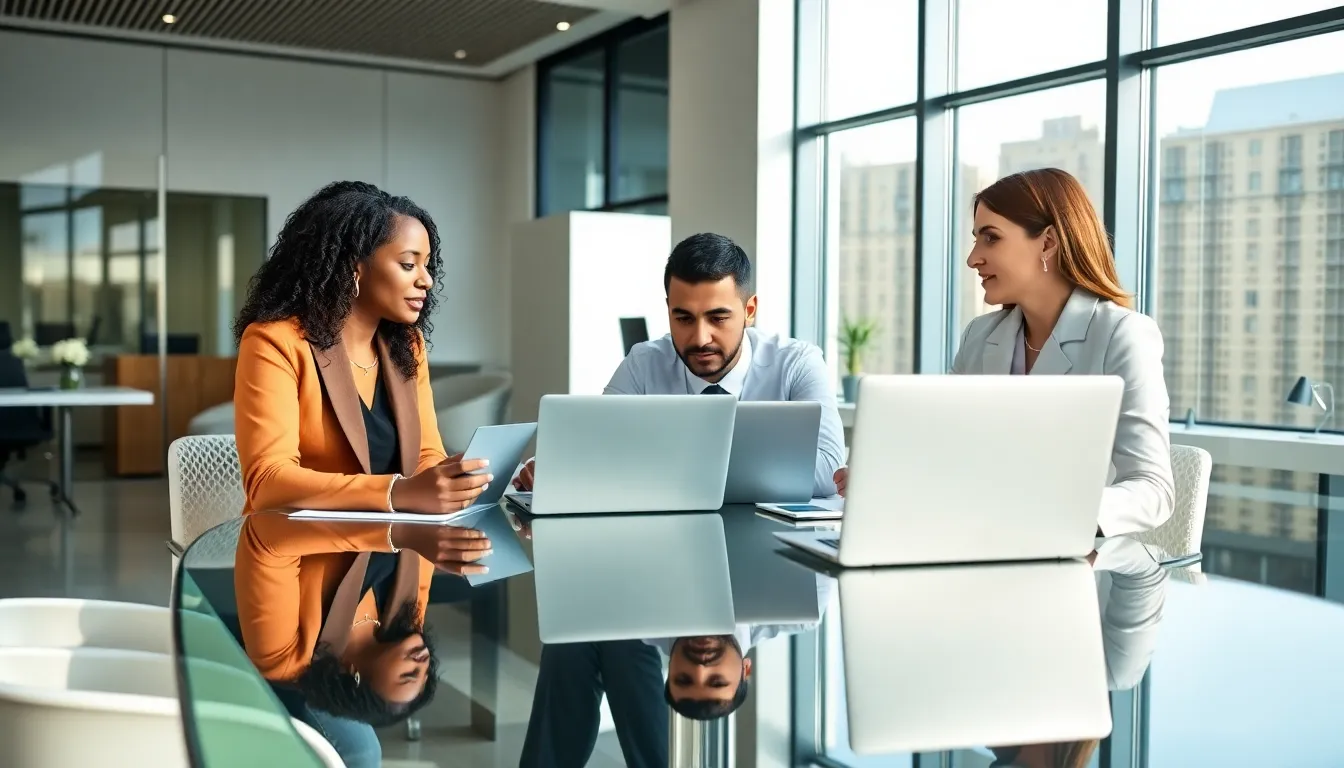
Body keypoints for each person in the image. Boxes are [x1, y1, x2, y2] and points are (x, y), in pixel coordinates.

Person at [230, 181, 495, 768]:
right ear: (353, 268)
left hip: (393, 542)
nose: (426, 280)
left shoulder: (406, 349)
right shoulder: (276, 343)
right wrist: (402, 492)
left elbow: (427, 456)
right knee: (358, 752)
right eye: (409, 264)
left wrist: (470, 477)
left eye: (428, 265)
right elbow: (268, 481)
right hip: (292, 548)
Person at [514, 231, 848, 496]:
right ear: (668, 309)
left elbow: (830, 471)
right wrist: (554, 467)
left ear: (749, 311)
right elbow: (594, 453)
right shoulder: (643, 362)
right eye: (684, 318)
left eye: (718, 317)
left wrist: (665, 466)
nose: (700, 338)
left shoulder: (798, 363)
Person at [949, 168, 1174, 536]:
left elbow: (1153, 488)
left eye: (991, 238)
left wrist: (1060, 514)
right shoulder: (979, 336)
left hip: (1079, 568)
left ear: (1048, 242)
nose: (973, 258)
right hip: (981, 546)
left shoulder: (1123, 335)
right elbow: (946, 446)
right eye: (976, 240)